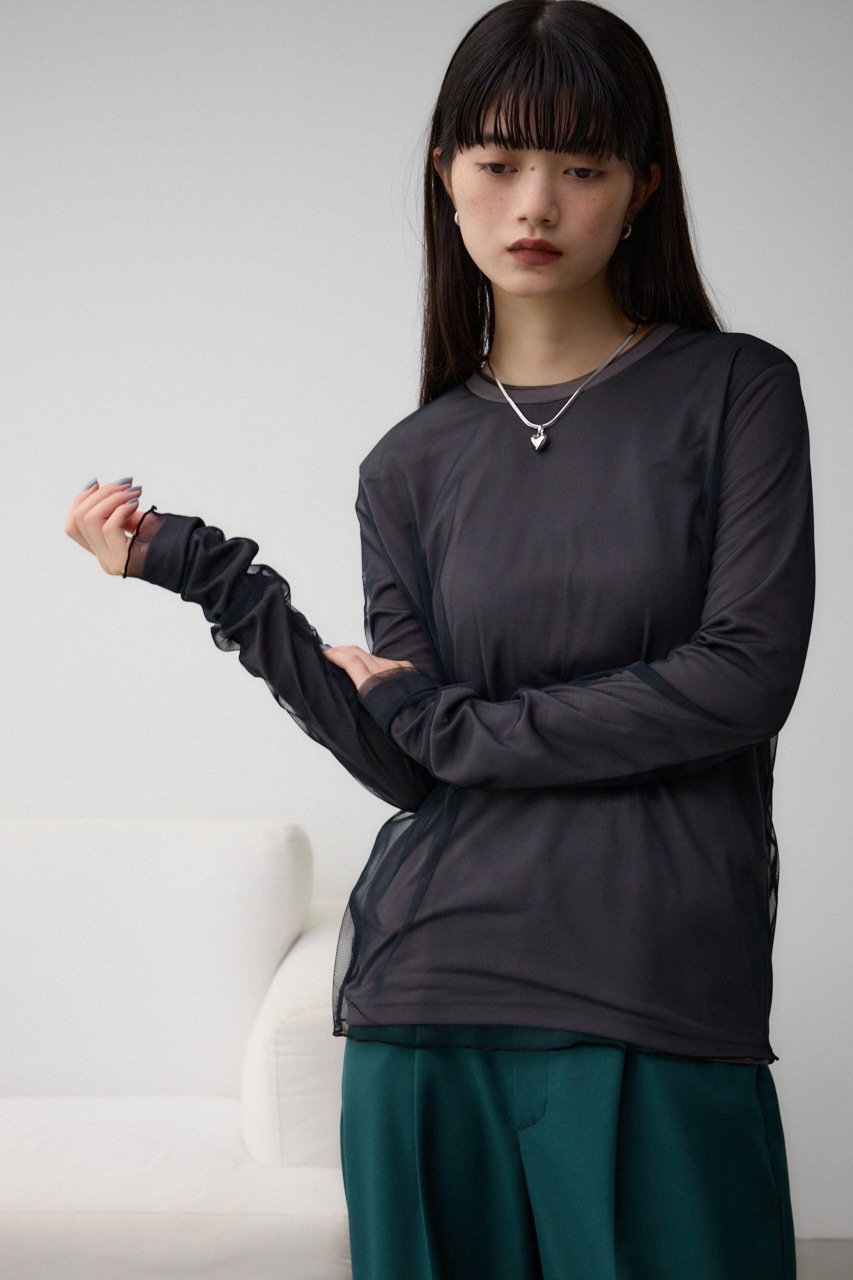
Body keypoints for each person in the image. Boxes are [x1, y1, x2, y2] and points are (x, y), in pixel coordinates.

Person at [66, 1, 814, 1276]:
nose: (537, 203)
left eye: (582, 166)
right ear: (446, 177)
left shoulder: (735, 392)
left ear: (641, 187)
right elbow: (411, 762)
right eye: (500, 161)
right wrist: (207, 576)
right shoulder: (407, 464)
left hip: (651, 986)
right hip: (424, 994)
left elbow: (739, 680)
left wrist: (455, 722)